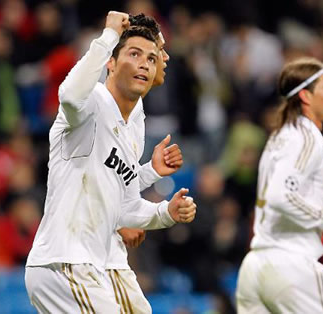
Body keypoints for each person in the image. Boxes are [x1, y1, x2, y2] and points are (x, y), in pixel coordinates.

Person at [25, 11, 196, 313]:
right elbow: (69, 94)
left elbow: (126, 207)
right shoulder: (92, 102)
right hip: (66, 262)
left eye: (152, 59)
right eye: (134, 54)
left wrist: (165, 211)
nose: (145, 63)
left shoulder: (135, 123)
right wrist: (108, 38)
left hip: (103, 262)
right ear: (111, 63)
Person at [236, 57, 323, 313]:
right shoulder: (306, 138)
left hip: (255, 268)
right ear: (306, 96)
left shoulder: (279, 137)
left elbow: (285, 196)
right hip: (289, 267)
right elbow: (280, 196)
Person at [105, 13, 176, 314]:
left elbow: (118, 180)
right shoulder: (98, 104)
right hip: (80, 252)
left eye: (155, 56)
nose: (163, 59)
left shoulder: (136, 116)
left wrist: (150, 171)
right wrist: (109, 35)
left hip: (105, 251)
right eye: (141, 55)